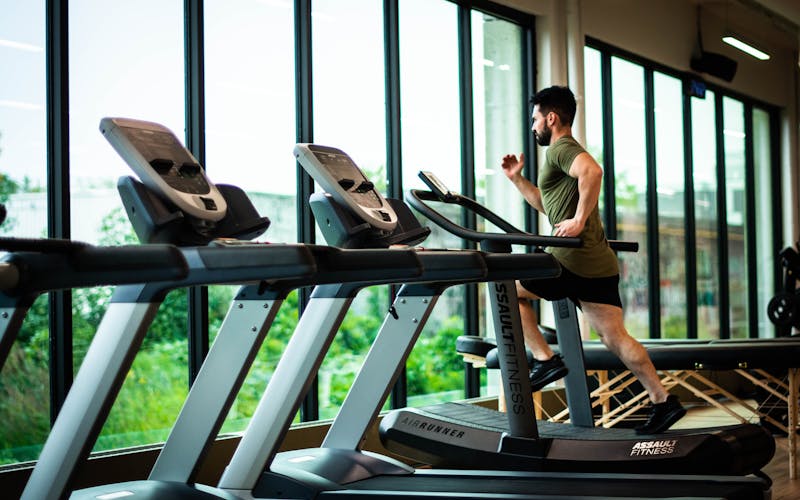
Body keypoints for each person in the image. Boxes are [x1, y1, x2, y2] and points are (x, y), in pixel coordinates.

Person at [500, 85, 686, 434]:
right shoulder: (561, 155)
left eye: (535, 119)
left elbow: (594, 173)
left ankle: (545, 360)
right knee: (615, 337)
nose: (533, 126)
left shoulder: (562, 149)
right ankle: (663, 400)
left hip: (569, 259)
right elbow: (547, 204)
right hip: (597, 263)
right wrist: (517, 179)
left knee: (507, 289)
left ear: (550, 118)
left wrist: (579, 221)